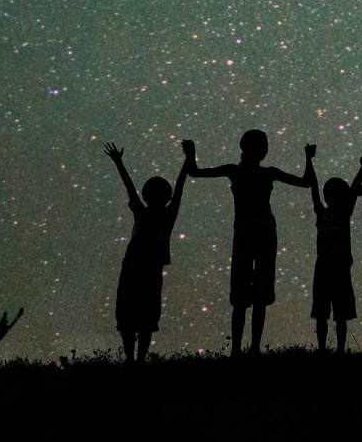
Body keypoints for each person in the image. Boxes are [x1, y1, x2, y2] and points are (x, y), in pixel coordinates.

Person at [187, 131, 316, 355]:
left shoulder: (239, 171)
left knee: (250, 291)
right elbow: (306, 182)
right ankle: (246, 348)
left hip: (253, 232)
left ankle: (244, 348)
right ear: (253, 148)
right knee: (251, 290)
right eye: (264, 145)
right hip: (257, 232)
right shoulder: (254, 172)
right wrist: (308, 159)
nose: (266, 149)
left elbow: (194, 171)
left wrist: (191, 154)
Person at [105, 141, 191, 362]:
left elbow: (129, 186)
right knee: (141, 317)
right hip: (142, 270)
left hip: (136, 269)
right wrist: (187, 159)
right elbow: (179, 185)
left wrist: (119, 162)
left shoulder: (144, 212)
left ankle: (133, 361)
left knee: (134, 317)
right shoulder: (164, 213)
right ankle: (136, 360)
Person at [308, 151, 362, 353]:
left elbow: (353, 190)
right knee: (325, 311)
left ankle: (338, 348)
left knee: (340, 311)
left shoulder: (344, 212)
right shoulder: (322, 212)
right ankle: (326, 348)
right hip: (329, 265)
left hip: (336, 265)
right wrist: (308, 160)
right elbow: (313, 185)